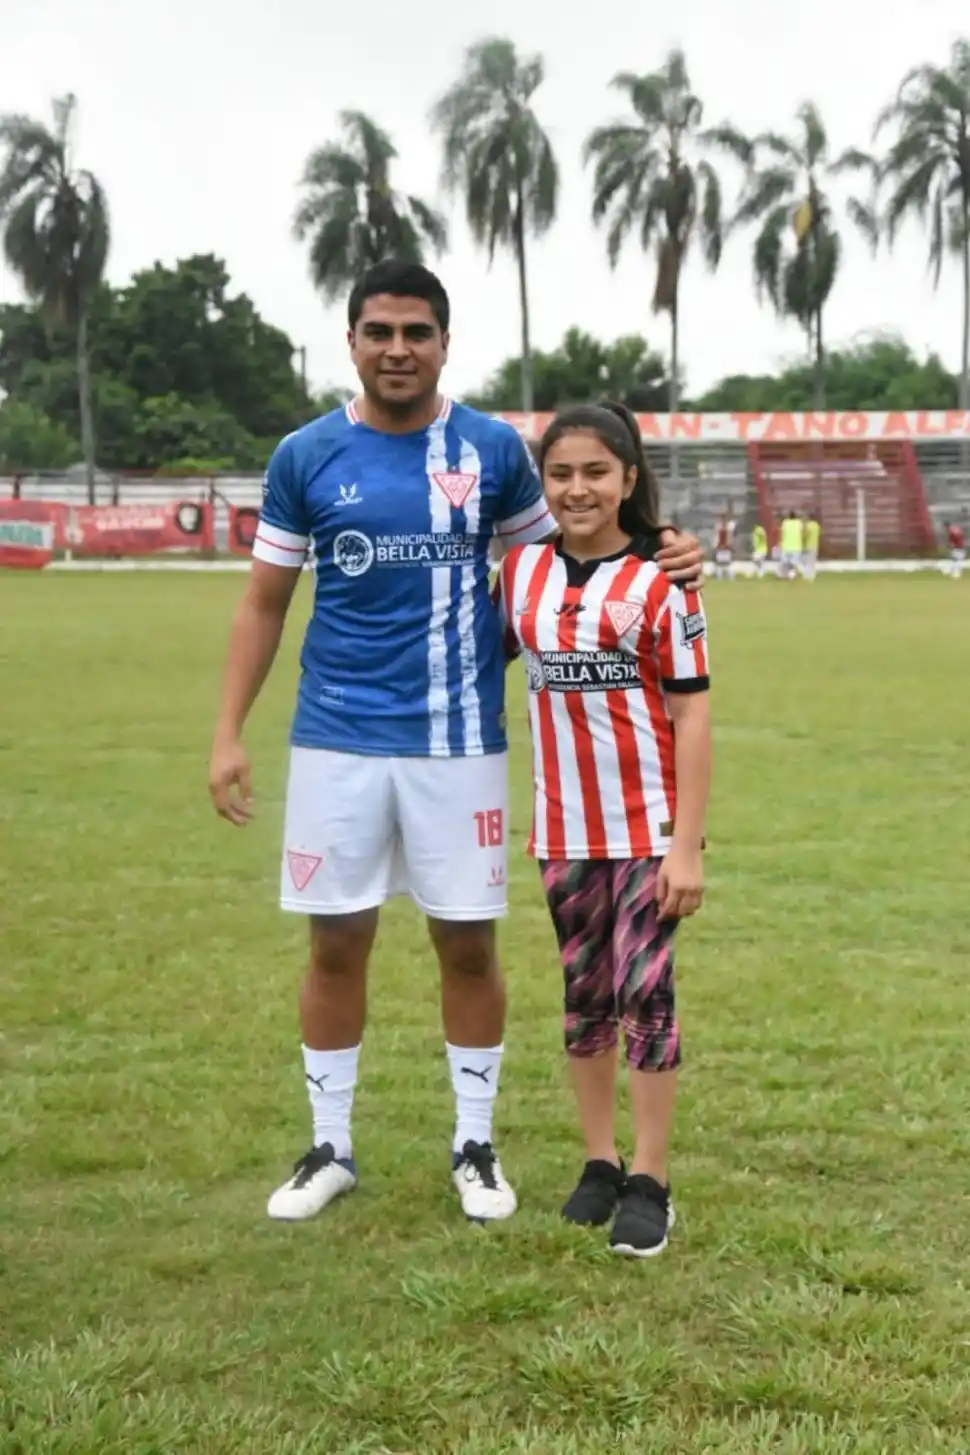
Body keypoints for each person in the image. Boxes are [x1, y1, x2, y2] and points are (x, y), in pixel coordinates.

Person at [207, 260, 705, 1225]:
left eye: (417, 332)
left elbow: (565, 559)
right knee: (336, 940)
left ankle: (475, 1145)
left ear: (444, 341)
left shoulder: (493, 452)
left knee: (468, 946)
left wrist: (662, 548)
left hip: (461, 738)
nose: (399, 348)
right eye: (380, 331)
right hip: (337, 738)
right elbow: (263, 602)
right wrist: (227, 732)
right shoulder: (305, 454)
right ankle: (330, 1145)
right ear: (351, 340)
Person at [496, 402, 711, 1258]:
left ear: (628, 478)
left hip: (647, 827)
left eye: (595, 472)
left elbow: (692, 718)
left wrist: (686, 843)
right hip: (562, 830)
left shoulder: (667, 580)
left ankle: (651, 1178)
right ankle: (598, 1161)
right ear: (543, 484)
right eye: (560, 473)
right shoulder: (520, 575)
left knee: (645, 994)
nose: (577, 488)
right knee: (585, 996)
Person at [779, 511, 803, 580]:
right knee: (793, 563)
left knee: (785, 562)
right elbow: (801, 531)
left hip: (786, 545)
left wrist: (781, 542)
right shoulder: (798, 523)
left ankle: (783, 575)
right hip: (796, 546)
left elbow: (782, 533)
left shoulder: (785, 522)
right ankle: (791, 576)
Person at [712, 513, 733, 581]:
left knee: (724, 564)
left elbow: (728, 537)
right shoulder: (727, 526)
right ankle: (723, 577)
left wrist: (715, 545)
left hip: (723, 547)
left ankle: (725, 577)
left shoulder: (726, 526)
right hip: (723, 547)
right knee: (722, 564)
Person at [802, 511, 821, 581]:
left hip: (808, 545)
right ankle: (812, 575)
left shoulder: (808, 525)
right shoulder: (817, 525)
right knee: (812, 561)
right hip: (815, 545)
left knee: (807, 561)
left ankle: (807, 576)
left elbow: (806, 535)